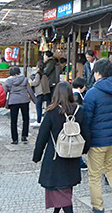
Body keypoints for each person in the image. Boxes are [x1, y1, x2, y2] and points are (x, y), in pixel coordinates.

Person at [33, 81, 90, 213]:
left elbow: (42, 137)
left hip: (55, 156)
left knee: (59, 190)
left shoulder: (51, 113)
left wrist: (37, 156)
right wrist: (83, 150)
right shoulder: (79, 111)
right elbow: (87, 134)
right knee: (65, 188)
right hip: (73, 155)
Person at [83, 59, 112, 213]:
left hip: (97, 140)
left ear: (98, 73)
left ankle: (98, 208)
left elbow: (86, 119)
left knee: (94, 176)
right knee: (111, 169)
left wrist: (85, 139)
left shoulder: (92, 93)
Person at [4, 66, 36, 144]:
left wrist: (3, 103)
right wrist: (35, 101)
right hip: (24, 100)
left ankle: (14, 139)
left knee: (13, 120)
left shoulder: (8, 81)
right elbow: (30, 91)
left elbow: (4, 92)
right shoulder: (24, 79)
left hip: (13, 101)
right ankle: (24, 136)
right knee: (25, 118)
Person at [31, 61, 52, 128]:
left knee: (38, 107)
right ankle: (46, 119)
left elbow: (36, 83)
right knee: (47, 107)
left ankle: (38, 120)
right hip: (46, 92)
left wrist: (31, 82)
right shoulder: (45, 74)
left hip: (40, 92)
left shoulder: (38, 74)